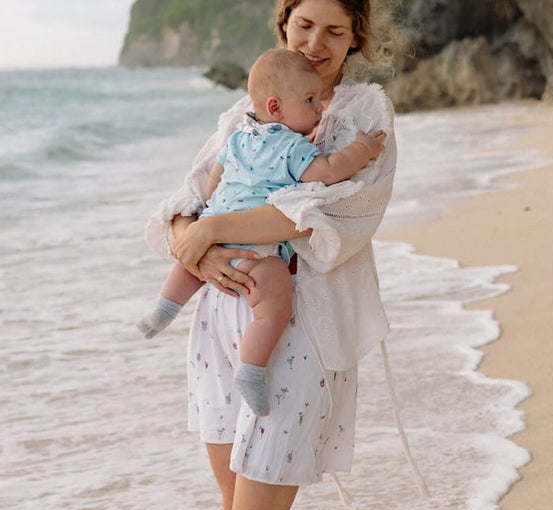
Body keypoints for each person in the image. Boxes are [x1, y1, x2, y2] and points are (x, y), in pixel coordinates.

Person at [144, 0, 408, 510]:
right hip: (219, 333)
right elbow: (183, 203)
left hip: (301, 334)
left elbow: (329, 217)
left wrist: (207, 231)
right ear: (282, 25)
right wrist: (188, 241)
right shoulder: (246, 111)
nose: (315, 45)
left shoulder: (363, 116)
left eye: (334, 31)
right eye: (303, 26)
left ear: (356, 38)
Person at [138, 47, 387, 418]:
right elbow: (330, 172)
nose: (319, 109)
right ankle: (252, 370)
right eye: (309, 100)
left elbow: (211, 183)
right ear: (275, 108)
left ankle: (163, 309)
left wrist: (214, 212)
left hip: (216, 233)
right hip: (258, 248)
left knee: (189, 265)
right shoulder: (293, 146)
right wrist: (361, 151)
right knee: (274, 306)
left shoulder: (238, 137)